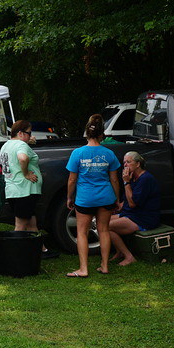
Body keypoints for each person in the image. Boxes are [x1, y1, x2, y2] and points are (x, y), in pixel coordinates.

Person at [65, 114, 121, 277]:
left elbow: (72, 179)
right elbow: (114, 180)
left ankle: (83, 269)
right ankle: (105, 266)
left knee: (82, 232)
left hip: (85, 199)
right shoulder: (109, 153)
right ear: (102, 134)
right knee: (104, 230)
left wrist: (69, 197)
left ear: (87, 133)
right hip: (106, 197)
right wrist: (117, 199)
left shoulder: (78, 153)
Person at [1, 121, 56, 259]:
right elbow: (22, 158)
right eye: (29, 133)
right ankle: (12, 256)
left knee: (31, 223)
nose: (31, 136)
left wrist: (27, 141)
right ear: (20, 133)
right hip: (24, 191)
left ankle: (42, 250)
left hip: (13, 190)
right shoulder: (21, 145)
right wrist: (26, 173)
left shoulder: (6, 145)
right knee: (20, 226)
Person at [110, 151, 162, 266]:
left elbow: (133, 204)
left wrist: (126, 183)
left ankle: (129, 257)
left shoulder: (145, 179)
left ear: (138, 164)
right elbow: (126, 201)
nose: (125, 165)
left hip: (143, 218)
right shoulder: (133, 177)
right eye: (124, 162)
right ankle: (119, 251)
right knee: (101, 221)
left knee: (105, 227)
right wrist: (117, 206)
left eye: (128, 162)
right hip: (132, 214)